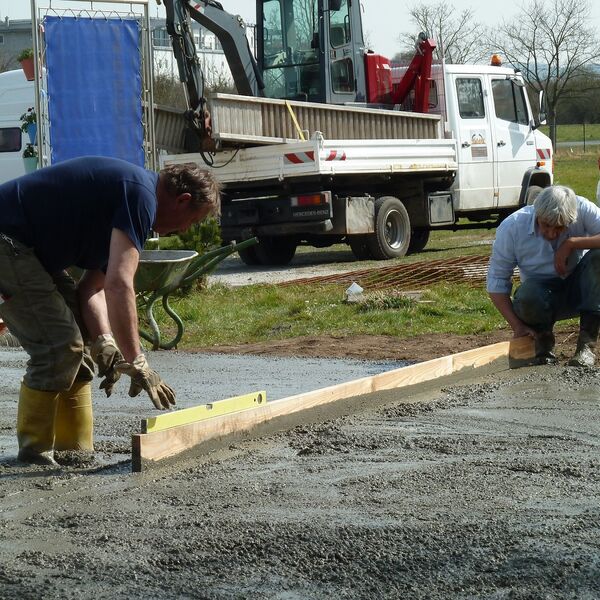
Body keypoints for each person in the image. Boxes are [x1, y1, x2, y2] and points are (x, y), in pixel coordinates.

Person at [0, 156, 220, 465]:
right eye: (192, 221)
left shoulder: (130, 202)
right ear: (182, 200)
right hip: (8, 242)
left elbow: (92, 289)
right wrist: (137, 360)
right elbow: (120, 285)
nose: (184, 230)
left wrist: (104, 342)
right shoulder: (140, 196)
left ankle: (74, 451)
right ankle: (32, 455)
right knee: (59, 347)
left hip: (28, 253)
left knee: (78, 351)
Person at [487, 185, 600, 366]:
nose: (552, 234)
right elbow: (497, 281)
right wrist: (517, 326)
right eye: (546, 225)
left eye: (560, 228)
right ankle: (543, 345)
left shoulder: (583, 208)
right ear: (537, 214)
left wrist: (572, 243)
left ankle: (586, 346)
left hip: (582, 291)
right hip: (541, 299)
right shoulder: (512, 227)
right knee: (527, 296)